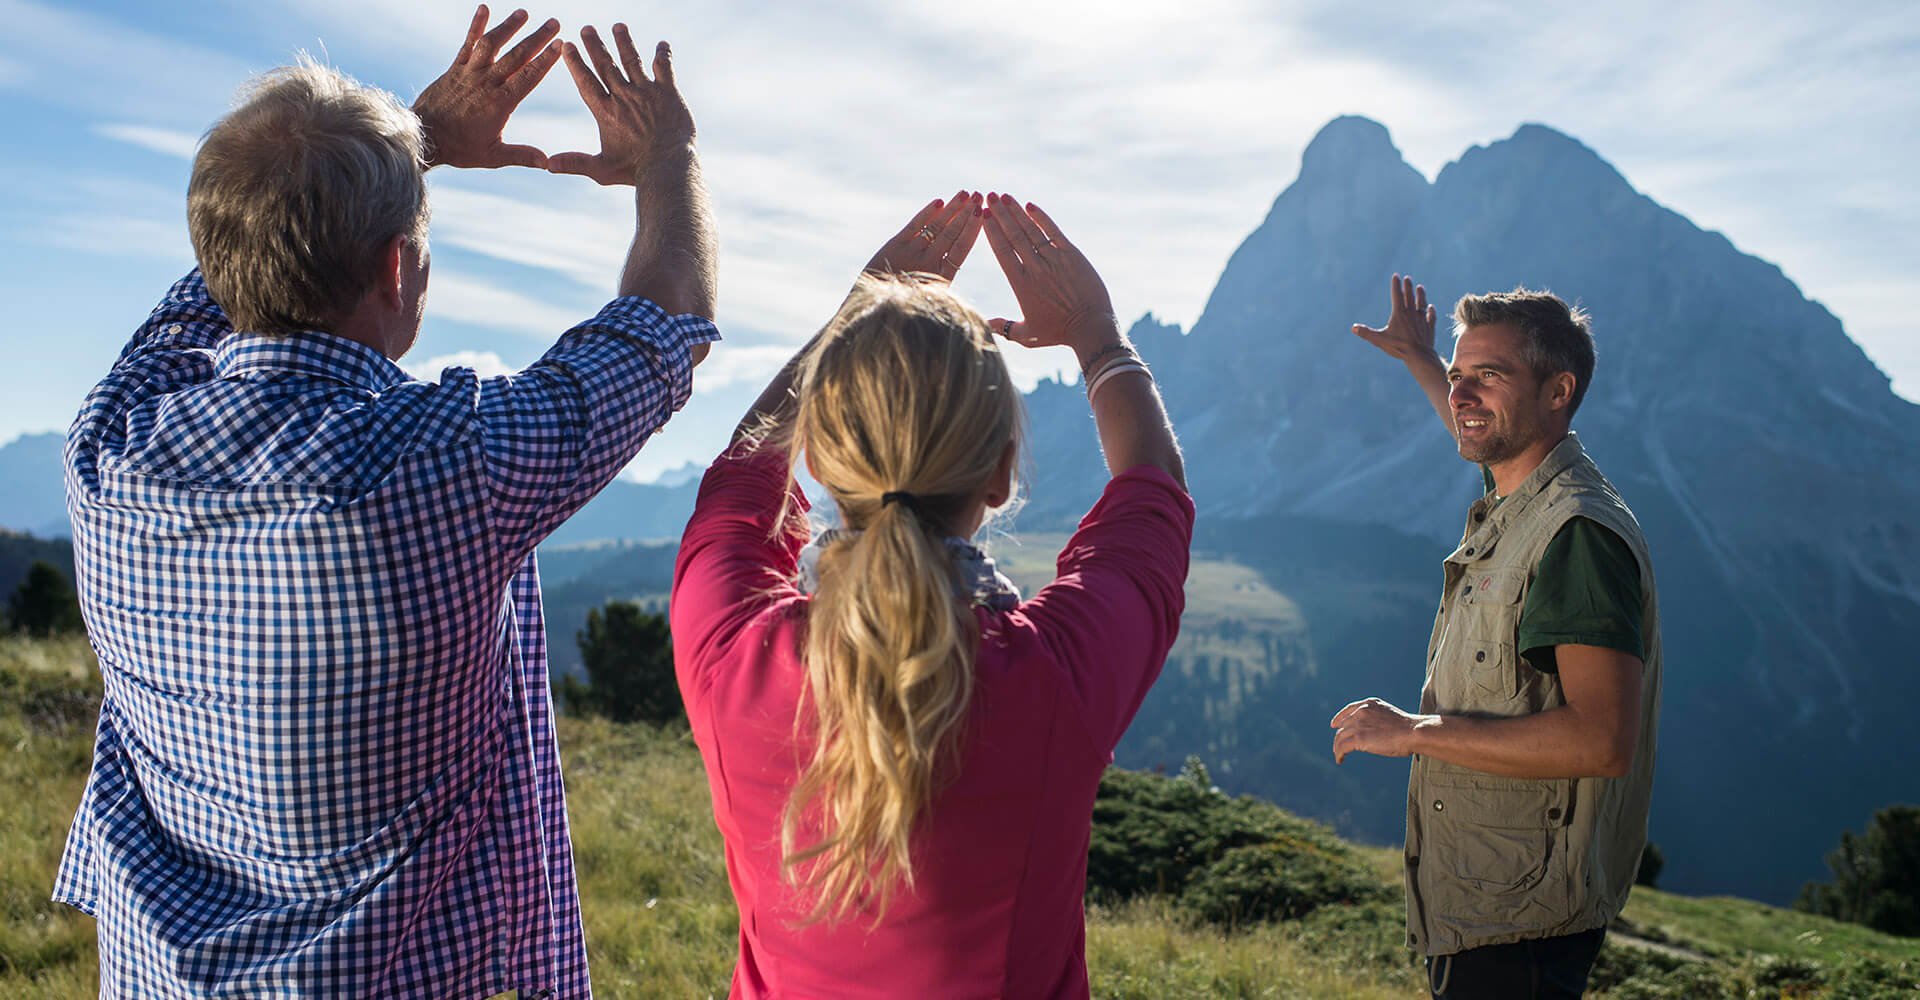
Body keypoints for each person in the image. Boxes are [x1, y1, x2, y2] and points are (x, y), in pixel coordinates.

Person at [54, 9, 717, 996]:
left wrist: (416, 142)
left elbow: (230, 269)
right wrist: (671, 158)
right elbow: (663, 321)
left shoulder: (110, 443)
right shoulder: (448, 469)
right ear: (398, 270)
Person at [670, 191, 1192, 997]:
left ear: (817, 455)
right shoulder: (1055, 676)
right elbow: (1152, 496)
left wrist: (852, 322)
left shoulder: (730, 653)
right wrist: (1098, 339)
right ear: (1000, 476)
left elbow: (741, 474)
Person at [1330, 276, 1663, 998]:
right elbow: (1478, 427)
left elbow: (1603, 741)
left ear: (1558, 391)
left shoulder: (1575, 533)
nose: (1461, 396)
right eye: (1457, 377)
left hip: (1524, 924)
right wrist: (1423, 361)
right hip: (1489, 900)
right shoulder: (1522, 489)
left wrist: (1414, 732)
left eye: (1490, 375)